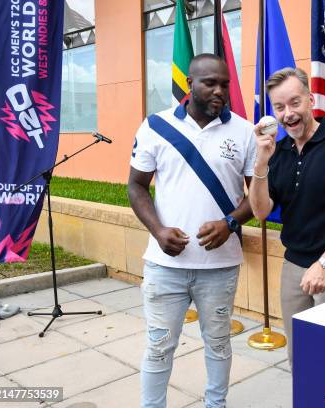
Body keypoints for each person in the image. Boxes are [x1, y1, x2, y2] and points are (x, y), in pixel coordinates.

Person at [128, 54, 255, 408]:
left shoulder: (244, 131)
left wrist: (230, 223)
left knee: (218, 344)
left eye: (225, 84)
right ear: (190, 84)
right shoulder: (155, 126)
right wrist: (157, 230)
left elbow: (260, 197)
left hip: (220, 267)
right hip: (164, 267)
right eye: (210, 83)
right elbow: (136, 187)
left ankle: (217, 404)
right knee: (158, 346)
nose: (219, 91)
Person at [249, 67, 325, 364]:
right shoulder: (277, 152)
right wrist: (261, 164)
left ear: (310, 100)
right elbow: (260, 211)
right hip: (295, 263)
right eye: (279, 107)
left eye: (295, 103)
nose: (288, 113)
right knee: (301, 355)